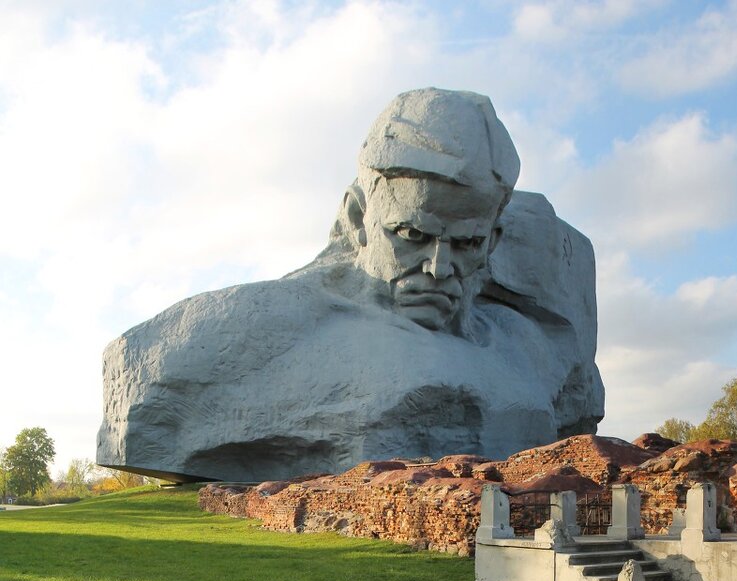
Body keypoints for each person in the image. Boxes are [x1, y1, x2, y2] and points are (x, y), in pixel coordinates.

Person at [98, 89, 604, 482]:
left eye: (467, 244)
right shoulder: (258, 327)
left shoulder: (523, 345)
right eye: (410, 235)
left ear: (493, 240)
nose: (437, 267)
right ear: (359, 216)